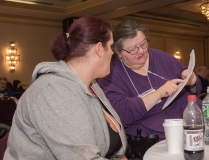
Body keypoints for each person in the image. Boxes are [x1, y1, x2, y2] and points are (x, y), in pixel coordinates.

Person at [4, 16, 127, 160]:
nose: (113, 53)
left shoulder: (92, 85)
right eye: (111, 46)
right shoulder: (53, 92)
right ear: (99, 49)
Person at [98, 19, 202, 145]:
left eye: (143, 44)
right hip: (155, 138)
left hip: (193, 124)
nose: (141, 51)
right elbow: (121, 114)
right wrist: (158, 93)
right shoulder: (111, 72)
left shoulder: (159, 56)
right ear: (119, 52)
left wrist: (192, 80)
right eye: (133, 49)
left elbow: (195, 89)